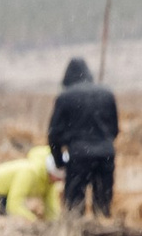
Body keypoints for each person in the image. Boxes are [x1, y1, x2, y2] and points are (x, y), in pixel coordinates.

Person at [49, 56, 120, 217]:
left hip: (79, 156)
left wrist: (59, 161)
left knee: (74, 206)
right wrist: (103, 143)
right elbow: (114, 129)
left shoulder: (65, 97)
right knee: (102, 205)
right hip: (106, 155)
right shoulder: (107, 94)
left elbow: (54, 134)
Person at [0, 144, 63, 222]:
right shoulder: (29, 172)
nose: (59, 181)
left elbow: (51, 209)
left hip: (5, 195)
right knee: (12, 221)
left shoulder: (50, 182)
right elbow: (14, 204)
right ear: (52, 172)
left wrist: (56, 224)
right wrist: (34, 221)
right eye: (58, 178)